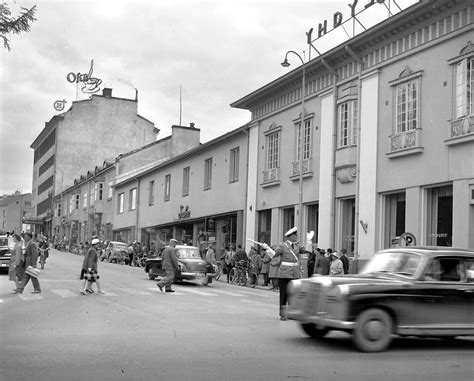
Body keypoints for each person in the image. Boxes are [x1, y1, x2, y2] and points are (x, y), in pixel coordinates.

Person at [273, 227, 306, 320]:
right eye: (296, 235)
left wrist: (309, 241)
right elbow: (274, 254)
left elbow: (305, 251)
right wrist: (267, 249)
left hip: (295, 274)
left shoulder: (298, 246)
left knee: (293, 294)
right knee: (284, 294)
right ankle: (283, 314)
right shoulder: (282, 245)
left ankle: (291, 313)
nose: (297, 237)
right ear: (291, 236)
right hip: (284, 273)